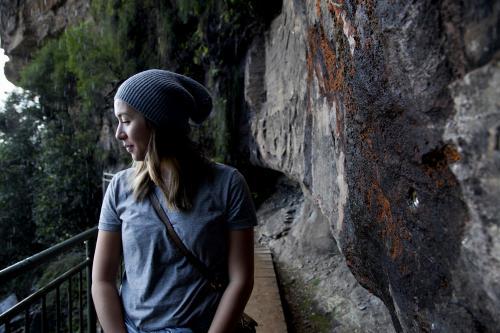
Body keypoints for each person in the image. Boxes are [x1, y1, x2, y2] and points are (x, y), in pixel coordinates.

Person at [92, 69, 257, 333]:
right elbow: (102, 280)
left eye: (126, 120)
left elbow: (241, 278)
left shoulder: (228, 184)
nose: (118, 133)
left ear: (157, 122)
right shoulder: (119, 188)